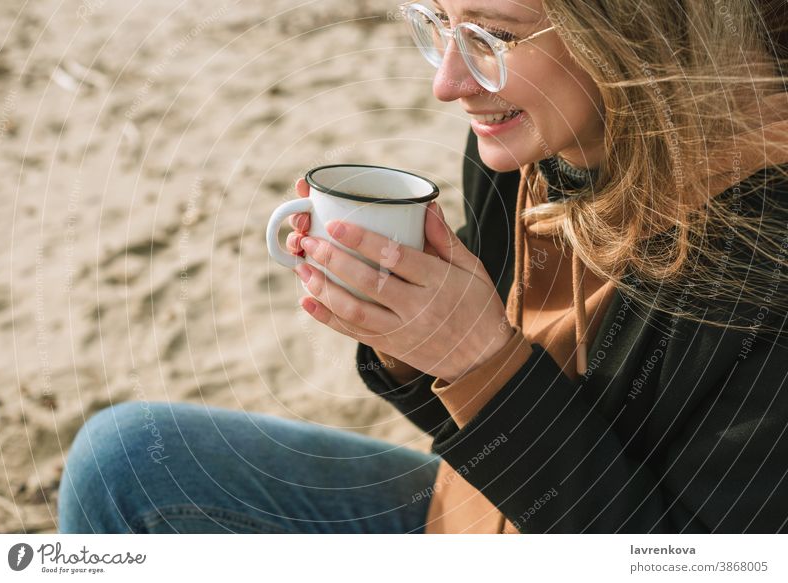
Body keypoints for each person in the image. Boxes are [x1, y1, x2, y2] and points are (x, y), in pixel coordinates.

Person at [59, 0, 788, 533]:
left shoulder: (766, 258)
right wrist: (413, 340)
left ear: (635, 26)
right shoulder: (529, 139)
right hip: (475, 521)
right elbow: (492, 440)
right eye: (437, 22)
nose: (449, 82)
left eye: (491, 35)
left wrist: (482, 363)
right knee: (121, 461)